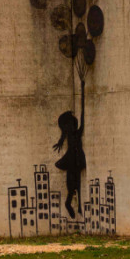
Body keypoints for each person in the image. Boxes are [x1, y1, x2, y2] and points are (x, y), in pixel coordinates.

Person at [53, 89, 86, 219]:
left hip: (76, 160)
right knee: (71, 185)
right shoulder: (71, 134)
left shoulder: (76, 133)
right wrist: (59, 143)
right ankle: (69, 204)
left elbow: (82, 119)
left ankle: (78, 207)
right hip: (73, 160)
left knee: (77, 184)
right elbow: (62, 138)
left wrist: (83, 98)